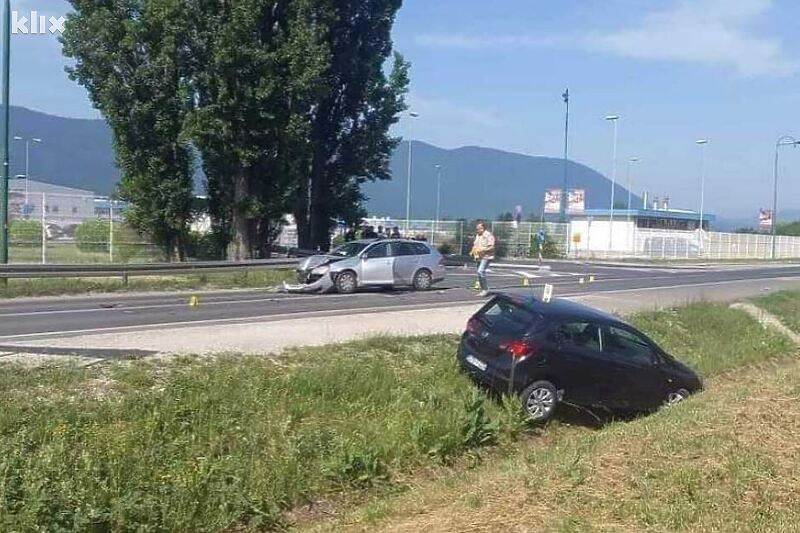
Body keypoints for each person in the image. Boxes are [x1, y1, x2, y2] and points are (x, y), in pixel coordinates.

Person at [470, 221, 496, 297]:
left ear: (483, 228)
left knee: (480, 271)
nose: (477, 230)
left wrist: (482, 250)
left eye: (478, 228)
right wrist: (473, 251)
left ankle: (485, 289)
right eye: (477, 229)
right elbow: (475, 245)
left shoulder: (488, 235)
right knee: (479, 273)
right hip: (479, 257)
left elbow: (492, 247)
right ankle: (483, 289)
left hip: (486, 256)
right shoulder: (478, 235)